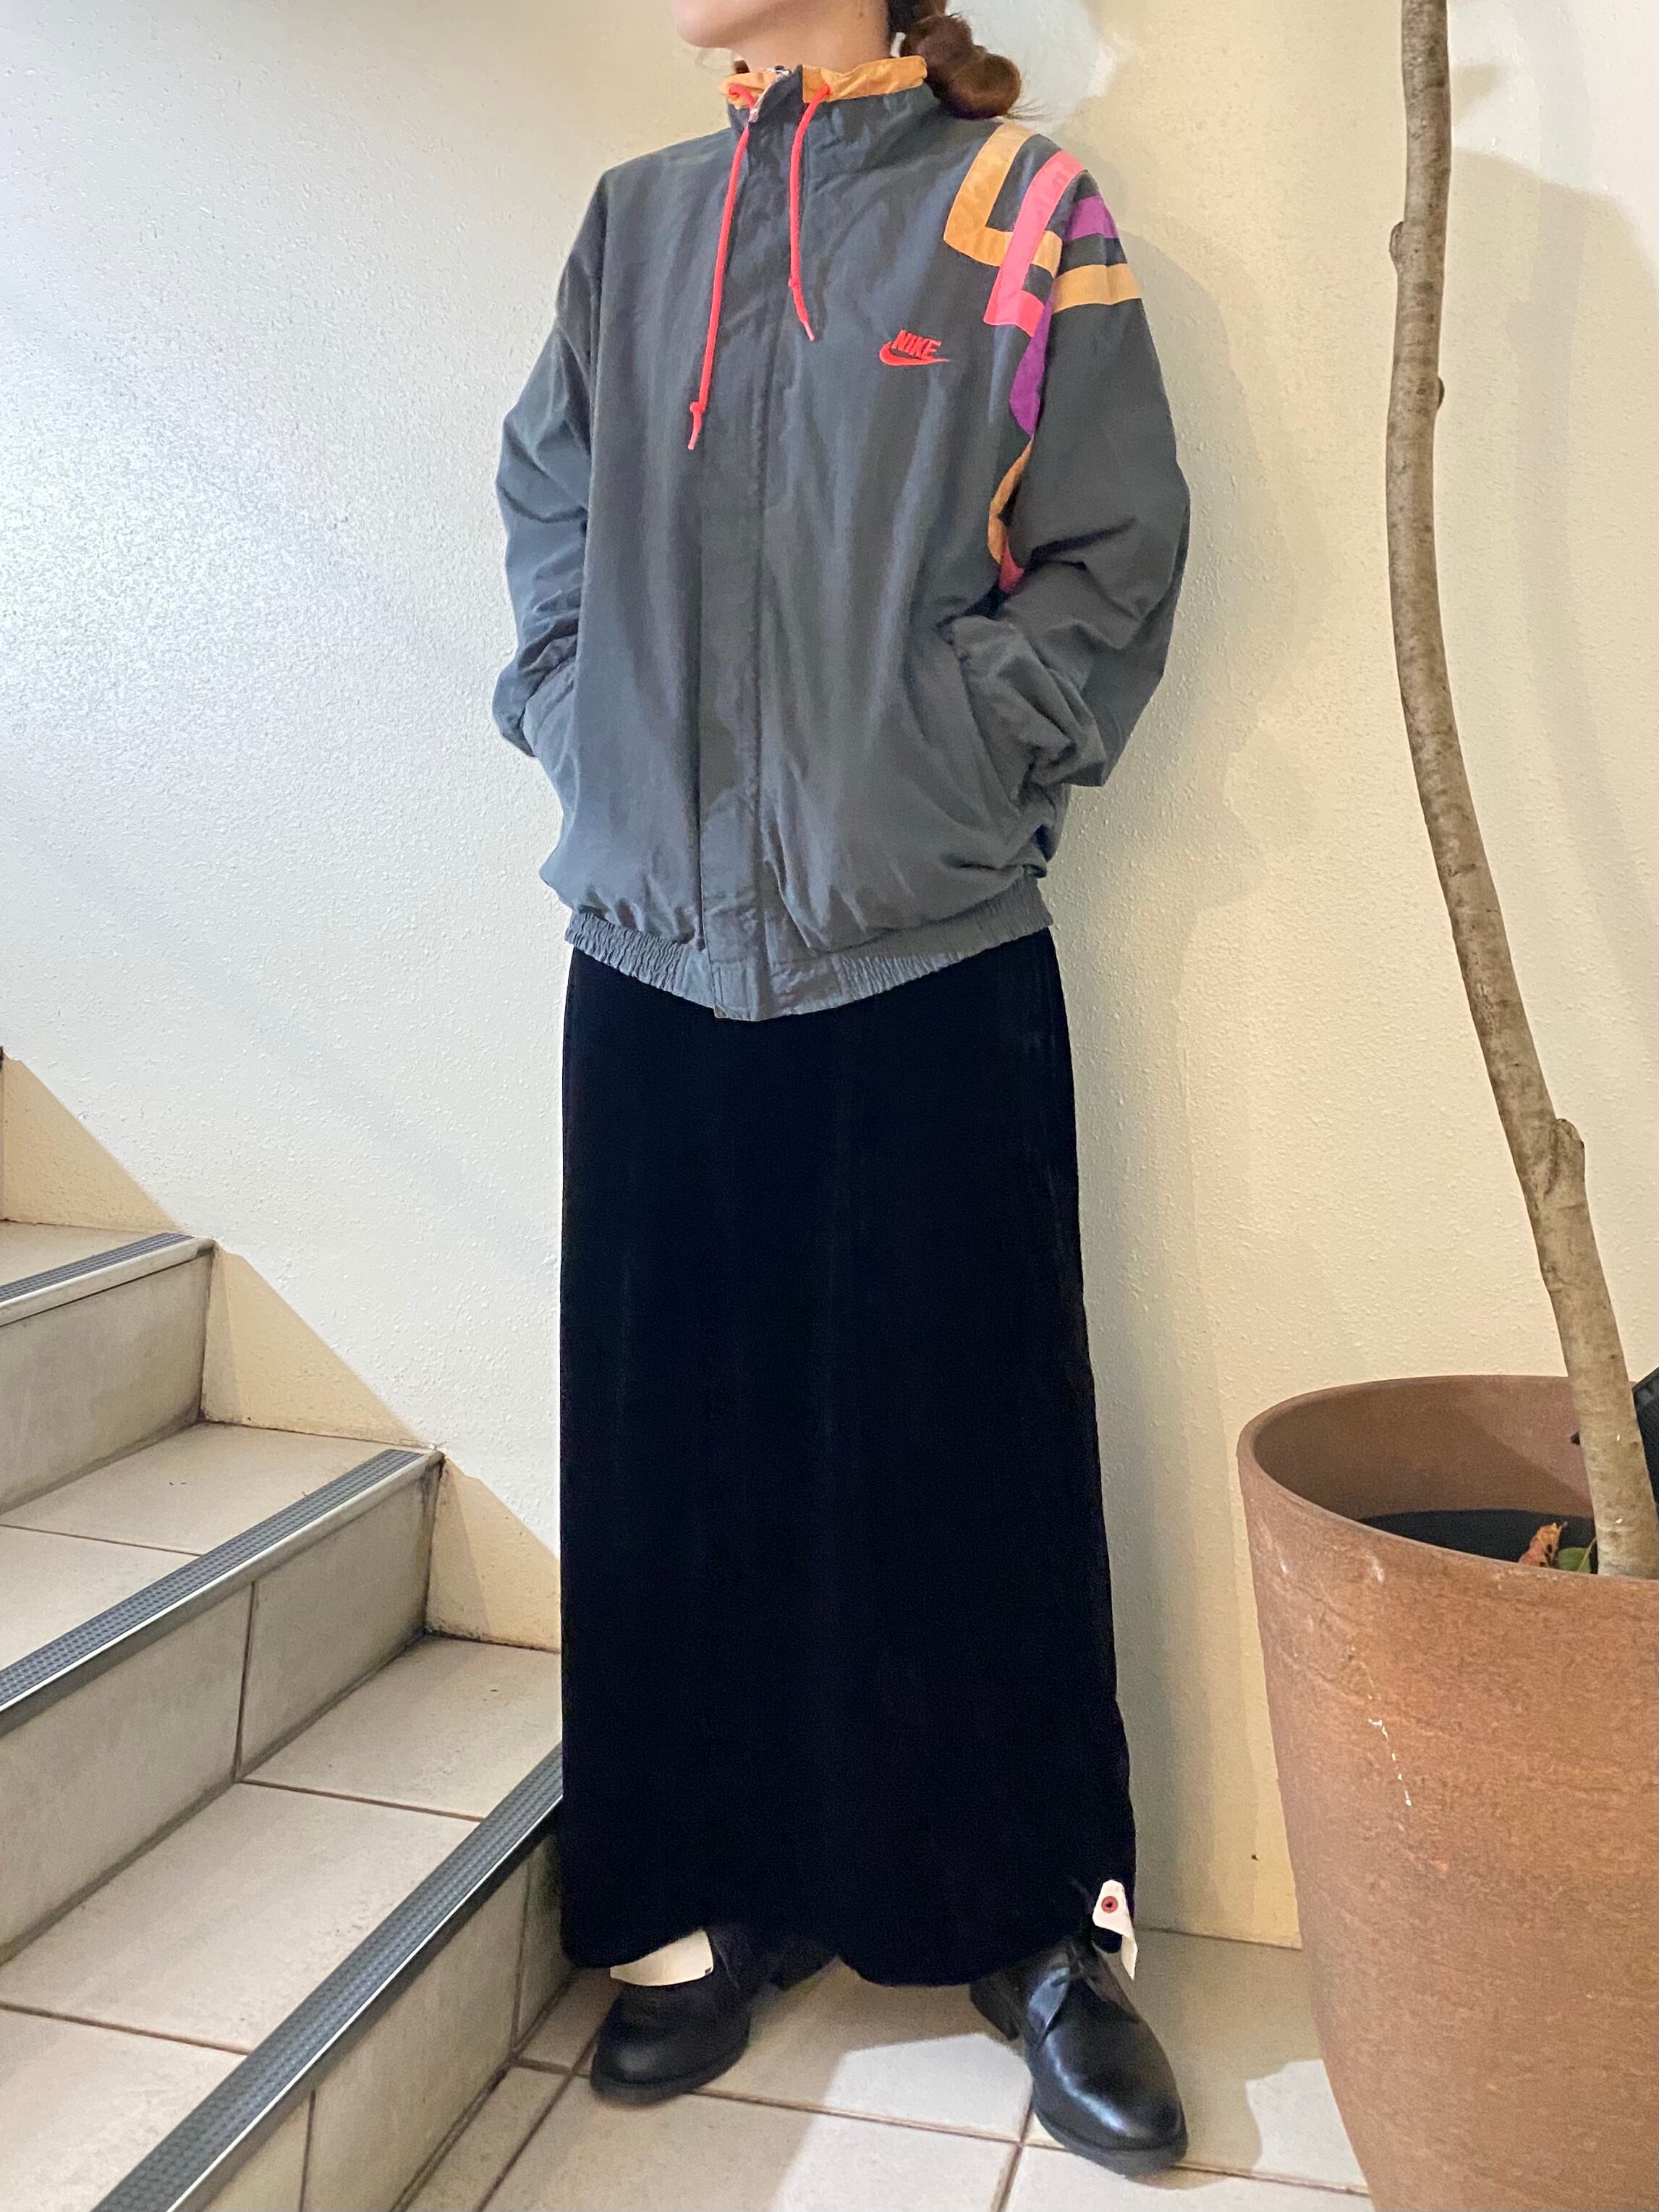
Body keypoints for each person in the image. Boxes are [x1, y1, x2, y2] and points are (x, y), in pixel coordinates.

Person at [491, 0, 1192, 2175]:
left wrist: (948, 766)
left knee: (968, 1437)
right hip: (651, 947)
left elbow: (1114, 549)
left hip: (922, 943)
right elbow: (546, 515)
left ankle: (1034, 1924)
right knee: (676, 1447)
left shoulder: (1021, 210)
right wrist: (580, 725)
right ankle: (709, 1891)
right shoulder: (634, 224)